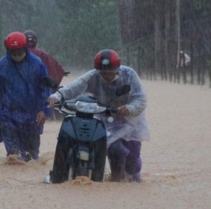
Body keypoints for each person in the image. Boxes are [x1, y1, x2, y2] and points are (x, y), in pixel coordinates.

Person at [48, 49, 150, 182]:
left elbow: (141, 98)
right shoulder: (93, 76)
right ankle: (116, 179)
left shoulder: (129, 75)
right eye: (103, 72)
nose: (107, 75)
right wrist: (57, 95)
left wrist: (130, 108)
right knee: (114, 149)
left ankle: (133, 179)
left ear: (117, 69)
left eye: (110, 72)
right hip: (106, 117)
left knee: (132, 159)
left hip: (130, 121)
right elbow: (74, 87)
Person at [0, 31, 50, 162]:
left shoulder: (37, 64)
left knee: (31, 158)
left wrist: (43, 110)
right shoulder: (2, 65)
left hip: (32, 117)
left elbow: (45, 89)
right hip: (8, 116)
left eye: (20, 52)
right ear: (8, 51)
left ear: (26, 49)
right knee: (14, 157)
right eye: (13, 53)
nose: (17, 56)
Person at [24, 30, 66, 120]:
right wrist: (61, 72)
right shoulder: (42, 54)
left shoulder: (17, 55)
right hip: (41, 88)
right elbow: (54, 68)